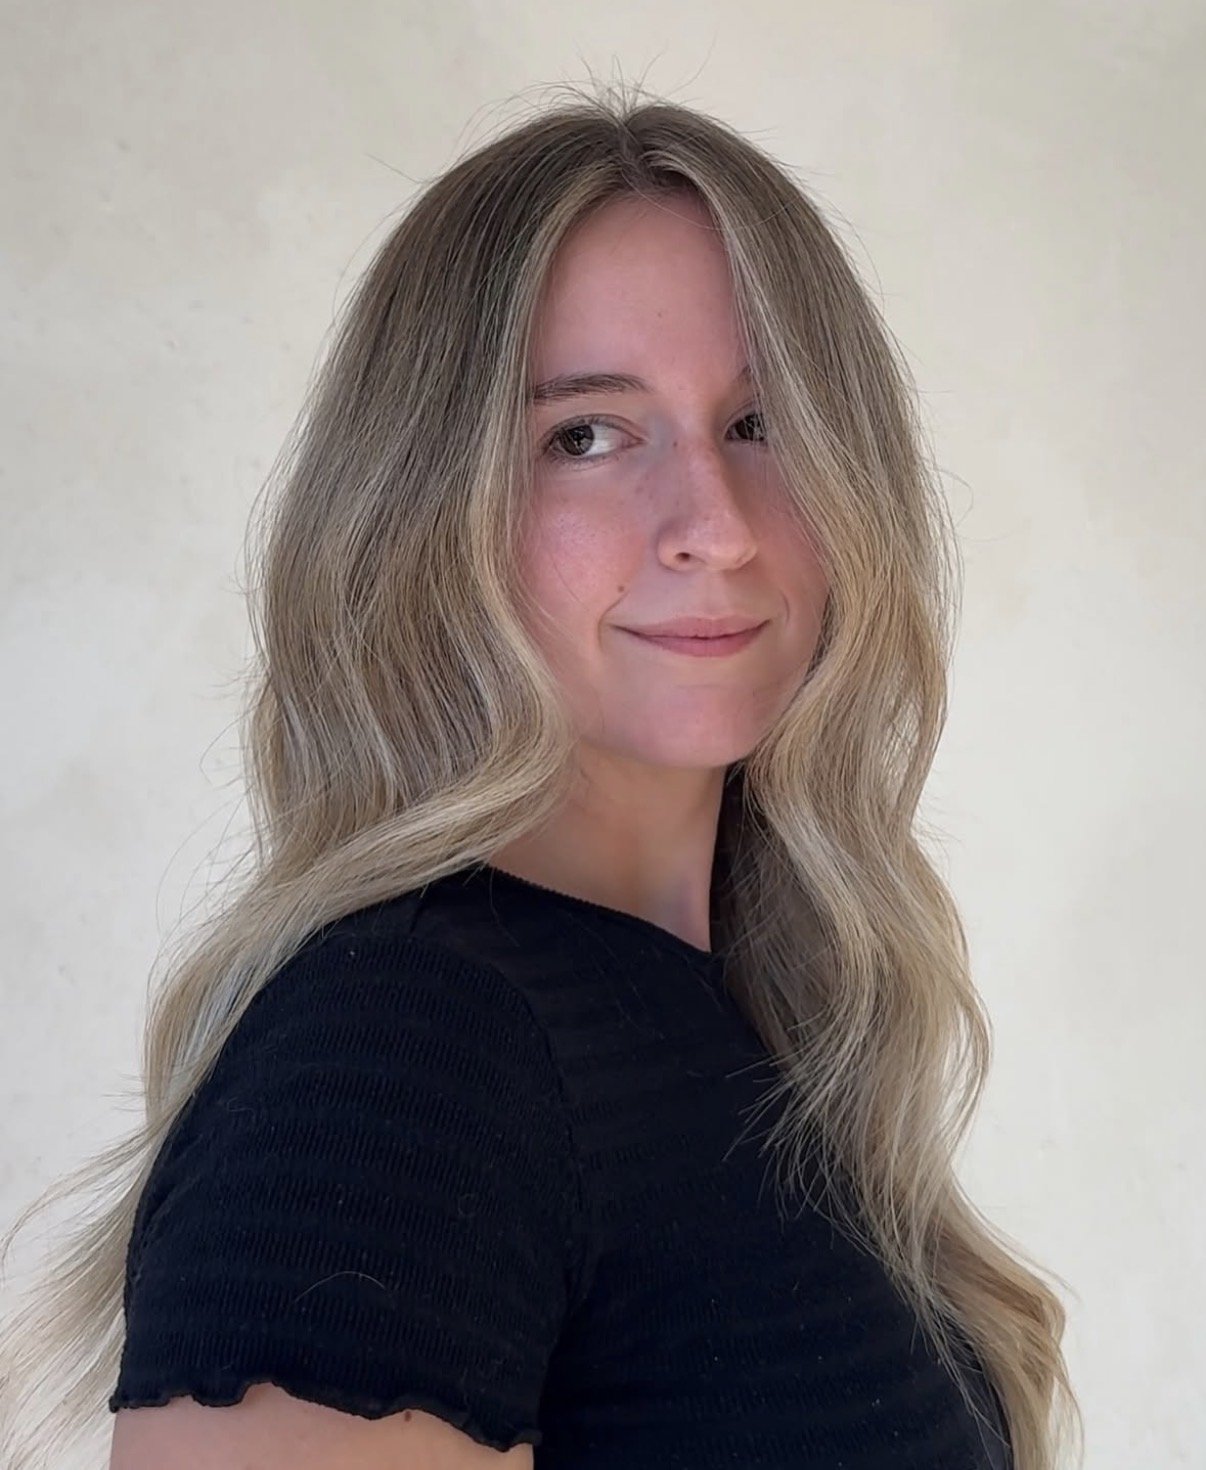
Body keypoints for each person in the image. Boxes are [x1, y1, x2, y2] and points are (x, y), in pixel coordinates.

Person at [0, 82, 1081, 1470]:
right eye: (586, 434)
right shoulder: (401, 1056)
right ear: (420, 512)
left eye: (761, 424)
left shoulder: (765, 1024)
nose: (715, 526)